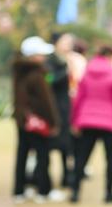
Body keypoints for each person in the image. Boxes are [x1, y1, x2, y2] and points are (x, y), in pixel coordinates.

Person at [70, 45, 112, 204]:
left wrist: (75, 121)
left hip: (87, 121)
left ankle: (75, 191)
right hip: (109, 123)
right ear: (110, 56)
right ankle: (109, 192)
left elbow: (78, 99)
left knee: (82, 157)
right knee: (110, 159)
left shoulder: (87, 73)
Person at [12, 36, 61, 204]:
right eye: (41, 54)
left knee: (22, 156)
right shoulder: (37, 74)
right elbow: (46, 102)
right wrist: (53, 122)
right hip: (38, 123)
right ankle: (44, 191)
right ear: (33, 55)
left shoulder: (19, 72)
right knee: (43, 157)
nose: (44, 57)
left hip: (23, 121)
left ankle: (19, 191)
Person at [46, 33, 74, 189]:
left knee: (66, 144)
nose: (69, 45)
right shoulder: (50, 60)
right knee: (49, 144)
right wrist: (65, 71)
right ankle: (43, 178)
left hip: (65, 108)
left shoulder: (68, 60)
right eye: (66, 42)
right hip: (53, 107)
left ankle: (66, 176)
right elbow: (49, 80)